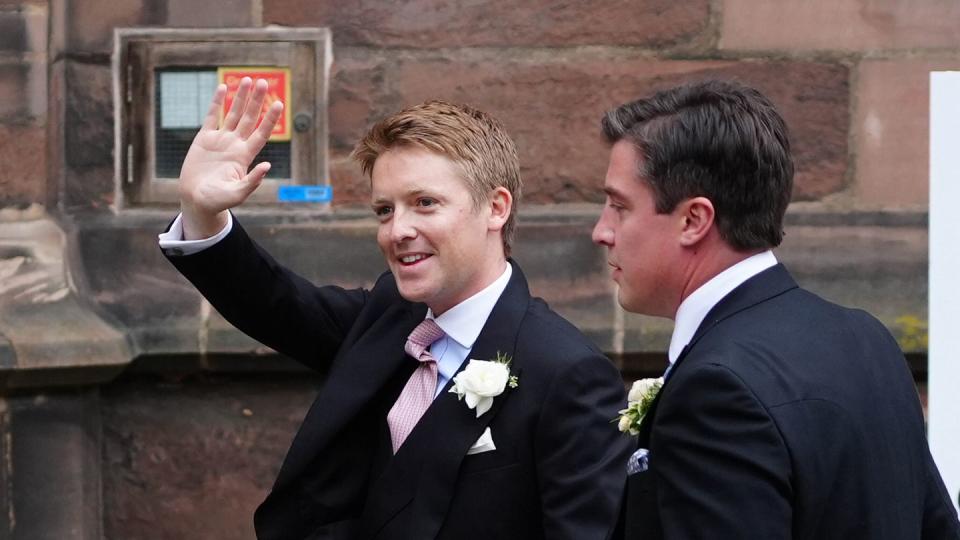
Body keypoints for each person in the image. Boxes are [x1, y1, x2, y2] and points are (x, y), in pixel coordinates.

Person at [159, 77, 632, 540]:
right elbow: (275, 303)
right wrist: (202, 212)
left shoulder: (568, 373)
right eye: (384, 210)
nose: (397, 230)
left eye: (424, 203)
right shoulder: (390, 314)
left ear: (496, 208)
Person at [592, 79, 960, 539]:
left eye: (618, 206)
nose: (601, 231)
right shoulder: (865, 337)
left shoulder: (716, 389)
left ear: (693, 220)